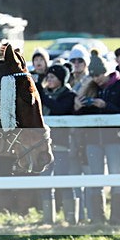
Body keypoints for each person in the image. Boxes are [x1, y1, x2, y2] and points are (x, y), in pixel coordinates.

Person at [74, 50, 120, 224]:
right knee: (95, 179)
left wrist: (105, 105)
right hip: (93, 140)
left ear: (106, 71)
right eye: (92, 75)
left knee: (116, 178)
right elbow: (79, 113)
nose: (96, 78)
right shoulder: (91, 88)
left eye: (98, 74)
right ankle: (97, 217)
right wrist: (79, 104)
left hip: (114, 139)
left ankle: (117, 217)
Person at [40, 63, 78, 224]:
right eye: (47, 76)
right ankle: (48, 218)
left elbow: (59, 109)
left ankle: (71, 218)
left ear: (61, 80)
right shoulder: (44, 95)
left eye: (52, 77)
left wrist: (41, 94)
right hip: (43, 145)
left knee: (64, 180)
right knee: (45, 181)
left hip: (62, 144)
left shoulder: (69, 95)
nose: (49, 79)